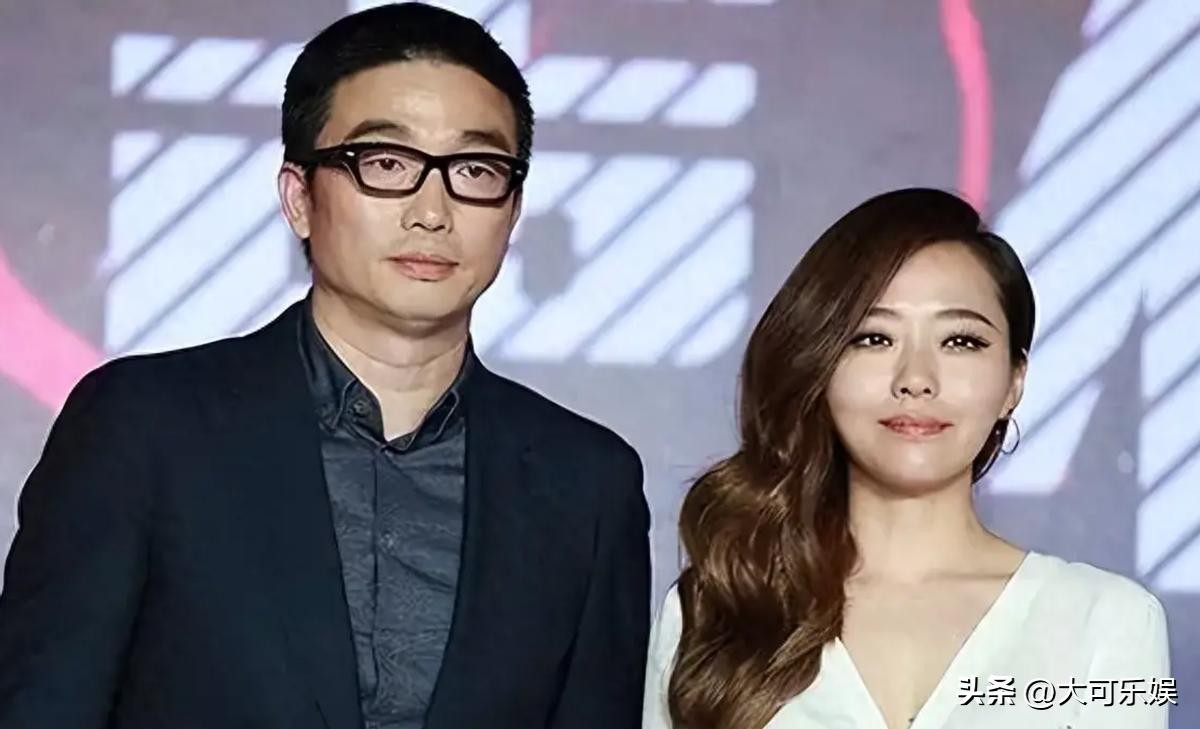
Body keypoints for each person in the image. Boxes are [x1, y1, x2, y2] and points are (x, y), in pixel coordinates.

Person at [0, 5, 651, 729]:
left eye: (474, 169)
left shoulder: (587, 484)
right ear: (299, 197)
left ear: (513, 207)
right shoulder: (143, 426)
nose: (432, 211)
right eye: (386, 164)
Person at [643, 188, 1171, 729]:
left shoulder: (1108, 621)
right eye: (874, 338)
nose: (916, 379)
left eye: (961, 341)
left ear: (1014, 381)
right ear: (820, 366)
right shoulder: (716, 613)